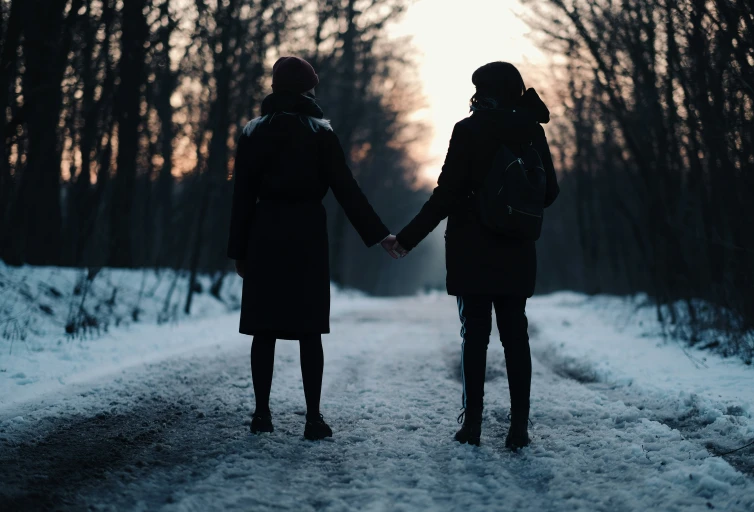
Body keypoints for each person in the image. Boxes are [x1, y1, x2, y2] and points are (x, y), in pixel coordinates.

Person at [227, 56, 399, 440]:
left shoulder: (253, 133)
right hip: (305, 234)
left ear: (274, 89)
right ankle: (313, 418)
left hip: (264, 233)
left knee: (263, 329)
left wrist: (240, 250)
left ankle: (261, 415)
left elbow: (242, 197)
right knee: (309, 330)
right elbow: (346, 190)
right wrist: (380, 234)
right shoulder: (321, 134)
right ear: (307, 92)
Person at [393, 62, 560, 449]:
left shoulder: (467, 130)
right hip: (517, 246)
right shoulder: (532, 131)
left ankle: (472, 424)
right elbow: (549, 192)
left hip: (473, 246)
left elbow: (446, 194)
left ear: (481, 92)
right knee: (516, 335)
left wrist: (406, 239)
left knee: (475, 335)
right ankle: (519, 428)